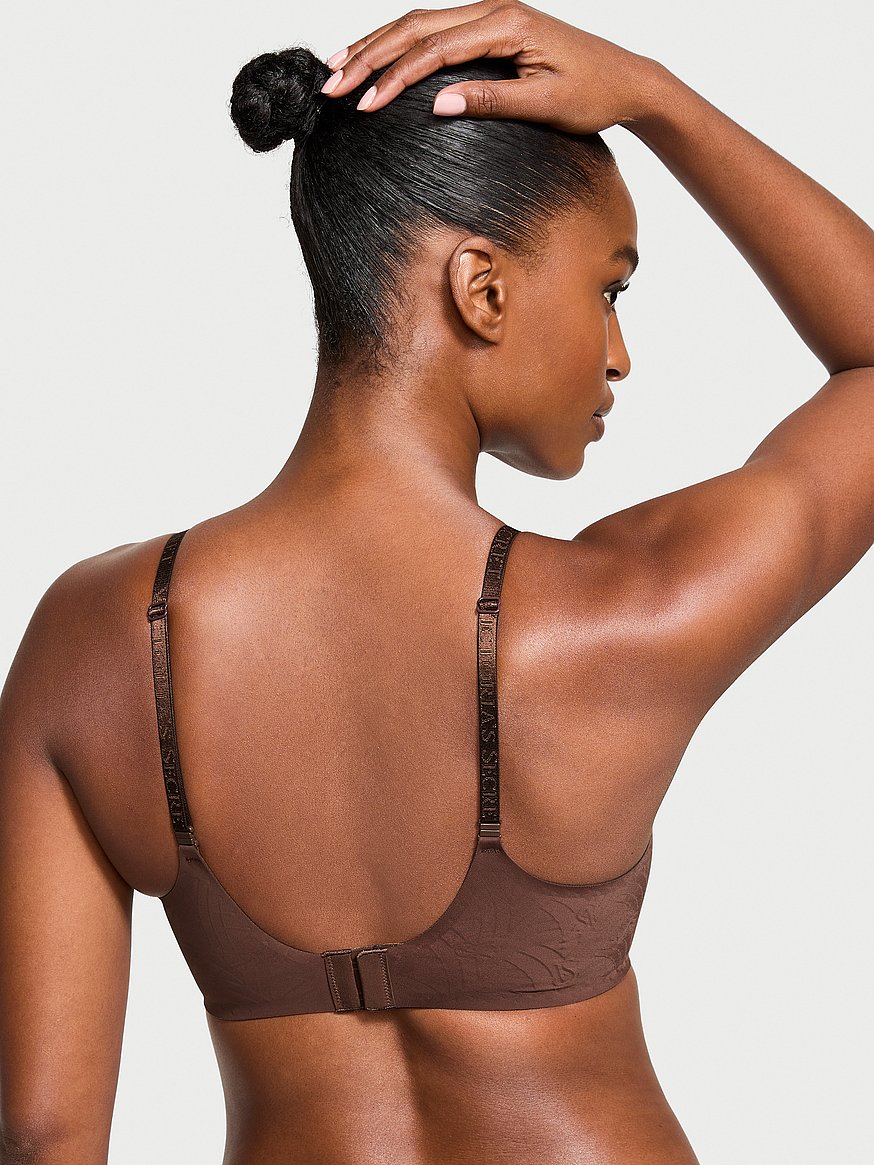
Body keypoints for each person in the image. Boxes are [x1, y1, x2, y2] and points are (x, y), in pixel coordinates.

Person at [1, 1, 871, 1161]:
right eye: (610, 289)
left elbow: (44, 1131)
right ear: (483, 288)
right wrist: (658, 98)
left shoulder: (97, 639)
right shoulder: (620, 616)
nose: (619, 354)